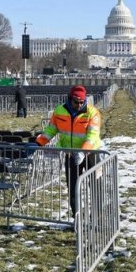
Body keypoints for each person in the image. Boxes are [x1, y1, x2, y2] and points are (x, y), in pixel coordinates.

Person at [35, 85, 102, 216]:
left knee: (96, 185)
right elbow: (52, 129)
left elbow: (93, 135)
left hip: (91, 154)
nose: (79, 105)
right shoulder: (59, 111)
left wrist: (83, 151)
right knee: (73, 187)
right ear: (70, 99)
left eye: (82, 102)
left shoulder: (92, 113)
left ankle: (97, 215)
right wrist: (39, 142)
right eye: (76, 102)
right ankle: (76, 216)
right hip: (71, 154)